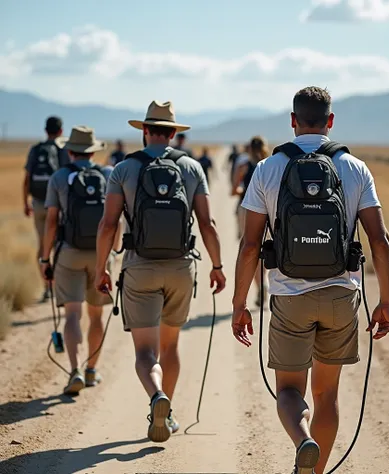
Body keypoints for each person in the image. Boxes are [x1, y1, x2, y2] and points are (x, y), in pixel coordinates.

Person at [231, 86, 389, 474]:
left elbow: (250, 244)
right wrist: (386, 301)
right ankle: (315, 469)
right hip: (341, 296)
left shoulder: (268, 169)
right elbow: (379, 238)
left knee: (289, 391)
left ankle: (302, 439)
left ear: (292, 120)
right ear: (330, 121)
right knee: (327, 394)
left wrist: (240, 305)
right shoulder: (354, 168)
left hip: (290, 297)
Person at [95, 100, 226, 443]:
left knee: (145, 353)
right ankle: (169, 415)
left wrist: (101, 269)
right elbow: (208, 224)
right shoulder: (192, 167)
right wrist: (217, 265)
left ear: (144, 131)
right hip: (181, 268)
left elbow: (108, 225)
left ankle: (156, 397)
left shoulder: (124, 169)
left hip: (140, 266)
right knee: (170, 346)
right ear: (172, 133)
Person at [40, 126, 112, 395]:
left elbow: (50, 222)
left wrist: (44, 257)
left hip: (69, 252)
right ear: (94, 151)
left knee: (72, 312)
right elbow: (116, 220)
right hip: (100, 254)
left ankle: (75, 370)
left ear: (69, 151)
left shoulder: (59, 176)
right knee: (96, 314)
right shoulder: (107, 174)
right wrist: (112, 253)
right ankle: (92, 369)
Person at [23, 116, 70, 303]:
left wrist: (24, 202)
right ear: (60, 131)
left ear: (45, 130)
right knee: (59, 246)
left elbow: (27, 178)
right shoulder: (62, 150)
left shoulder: (35, 150)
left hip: (38, 203)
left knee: (43, 247)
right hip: (57, 205)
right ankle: (60, 286)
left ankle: (46, 287)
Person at [232, 136, 269, 306]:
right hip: (268, 210)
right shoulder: (269, 166)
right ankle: (264, 282)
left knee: (251, 246)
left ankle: (259, 285)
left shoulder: (244, 166)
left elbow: (234, 190)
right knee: (266, 250)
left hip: (246, 209)